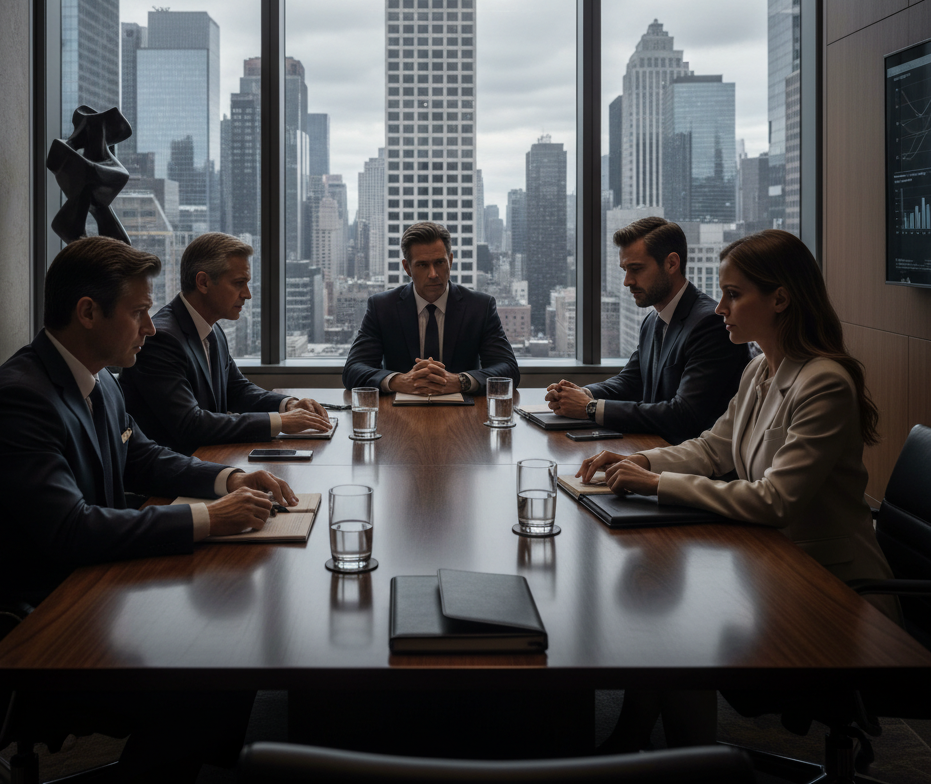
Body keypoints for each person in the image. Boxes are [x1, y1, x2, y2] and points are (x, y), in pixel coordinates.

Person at [0, 235, 298, 780]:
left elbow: (143, 457)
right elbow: (71, 529)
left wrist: (230, 478)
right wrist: (209, 518)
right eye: (138, 313)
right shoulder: (19, 400)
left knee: (230, 656)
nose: (150, 328)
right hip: (25, 625)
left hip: (89, 591)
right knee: (213, 680)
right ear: (87, 312)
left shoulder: (99, 380)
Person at [577, 229, 898, 752]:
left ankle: (684, 764)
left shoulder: (824, 383)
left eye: (733, 294)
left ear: (780, 299)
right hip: (771, 566)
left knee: (676, 631)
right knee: (659, 614)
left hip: (832, 593)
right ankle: (635, 741)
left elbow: (775, 500)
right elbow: (713, 449)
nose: (720, 307)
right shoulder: (758, 369)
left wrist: (657, 483)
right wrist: (641, 460)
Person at [121, 233, 331, 454]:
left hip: (211, 459)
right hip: (176, 470)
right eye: (239, 283)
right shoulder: (161, 339)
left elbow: (237, 390)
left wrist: (287, 405)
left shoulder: (213, 330)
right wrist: (280, 422)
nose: (247, 294)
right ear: (203, 282)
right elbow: (190, 424)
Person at [546, 216, 749, 444]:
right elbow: (632, 381)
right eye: (625, 269)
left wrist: (590, 408)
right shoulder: (653, 320)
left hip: (693, 459)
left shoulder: (711, 323)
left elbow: (684, 415)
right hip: (653, 448)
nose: (627, 281)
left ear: (671, 263)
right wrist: (584, 394)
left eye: (636, 269)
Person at [342, 221, 519, 396]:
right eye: (422, 265)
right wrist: (399, 381)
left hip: (465, 410)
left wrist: (460, 381)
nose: (433, 274)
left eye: (440, 263)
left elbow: (508, 368)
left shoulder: (480, 307)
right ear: (407, 268)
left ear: (450, 261)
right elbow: (353, 369)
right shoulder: (382, 307)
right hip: (398, 410)